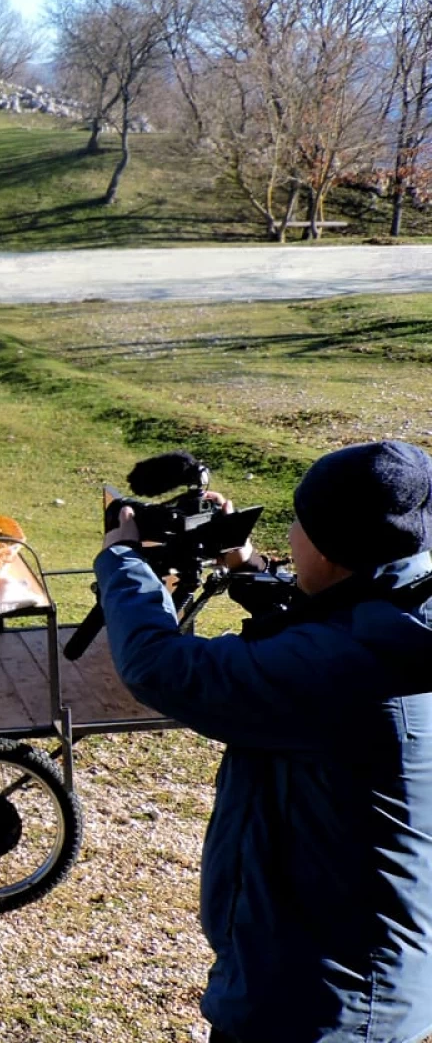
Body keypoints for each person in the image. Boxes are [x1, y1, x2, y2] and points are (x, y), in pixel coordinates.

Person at [96, 440, 432, 1043]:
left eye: (297, 522)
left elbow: (161, 667)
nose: (292, 534)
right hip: (347, 977)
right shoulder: (406, 612)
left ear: (329, 547)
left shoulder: (350, 669)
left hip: (319, 1005)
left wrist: (123, 562)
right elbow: (340, 617)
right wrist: (247, 568)